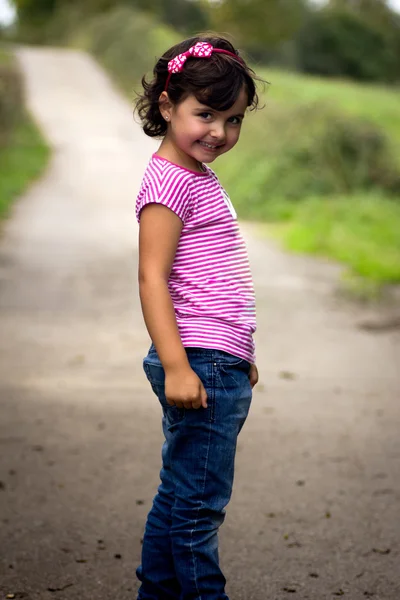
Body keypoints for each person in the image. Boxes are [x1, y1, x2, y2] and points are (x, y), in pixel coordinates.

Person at [134, 34, 261, 600]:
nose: (220, 132)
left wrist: (242, 353)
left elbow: (212, 282)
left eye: (233, 120)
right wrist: (178, 365)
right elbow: (152, 278)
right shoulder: (168, 183)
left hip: (216, 359)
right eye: (204, 114)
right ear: (167, 106)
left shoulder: (196, 177)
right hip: (198, 362)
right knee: (198, 509)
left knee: (180, 495)